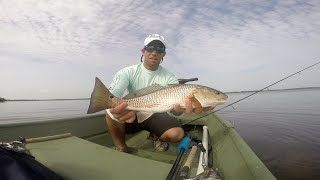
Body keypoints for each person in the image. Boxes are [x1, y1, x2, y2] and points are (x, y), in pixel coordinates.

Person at [105, 34, 211, 152]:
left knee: (176, 134)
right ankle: (121, 147)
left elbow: (175, 111)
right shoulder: (127, 72)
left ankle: (156, 136)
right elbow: (112, 95)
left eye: (160, 49)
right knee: (110, 111)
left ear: (163, 54)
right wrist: (115, 107)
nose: (154, 52)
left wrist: (176, 111)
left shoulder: (169, 77)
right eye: (150, 48)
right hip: (132, 112)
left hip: (156, 113)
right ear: (143, 51)